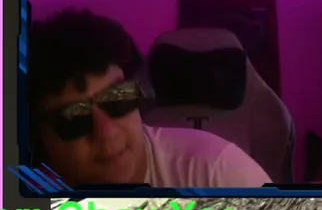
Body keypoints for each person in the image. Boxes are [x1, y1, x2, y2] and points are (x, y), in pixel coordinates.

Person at [27, 10, 272, 189]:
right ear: (40, 139)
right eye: (74, 118)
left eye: (117, 98)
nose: (107, 133)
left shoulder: (220, 174)